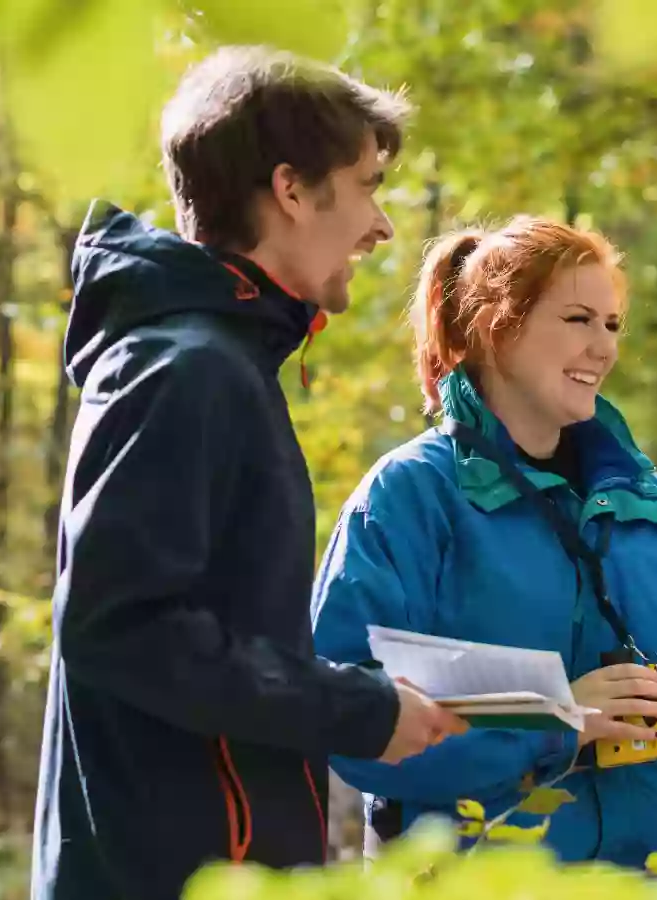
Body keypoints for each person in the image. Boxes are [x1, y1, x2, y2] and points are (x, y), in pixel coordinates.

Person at [31, 46, 468, 900]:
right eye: (369, 185)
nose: (382, 227)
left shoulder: (216, 362)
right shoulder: (184, 368)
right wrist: (358, 709)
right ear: (293, 190)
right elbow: (120, 627)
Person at [309, 216, 657, 867]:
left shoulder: (650, 501)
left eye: (612, 325)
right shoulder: (410, 495)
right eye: (578, 319)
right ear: (499, 328)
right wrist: (556, 716)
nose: (603, 348)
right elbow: (350, 708)